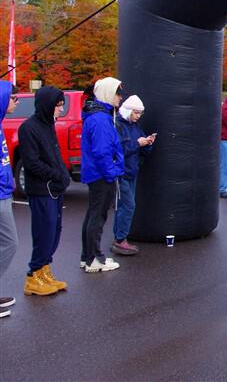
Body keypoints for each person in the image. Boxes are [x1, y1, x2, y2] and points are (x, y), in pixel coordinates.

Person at [19, 86, 71, 296]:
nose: (60, 110)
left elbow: (54, 156)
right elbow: (31, 163)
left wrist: (63, 173)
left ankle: (44, 269)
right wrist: (56, 174)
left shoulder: (48, 125)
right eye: (57, 106)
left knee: (55, 231)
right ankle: (33, 276)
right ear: (47, 105)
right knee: (44, 231)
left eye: (61, 105)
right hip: (41, 190)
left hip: (55, 189)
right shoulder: (28, 128)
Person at [81, 77, 124, 273]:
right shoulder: (100, 119)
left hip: (96, 173)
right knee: (97, 217)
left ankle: (87, 257)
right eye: (117, 92)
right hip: (101, 175)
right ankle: (94, 259)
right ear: (107, 93)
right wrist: (112, 172)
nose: (120, 97)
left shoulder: (98, 116)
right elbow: (102, 151)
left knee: (93, 214)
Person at [112, 95, 155, 256]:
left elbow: (138, 148)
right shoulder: (119, 126)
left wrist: (147, 143)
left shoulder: (134, 126)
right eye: (136, 113)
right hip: (122, 172)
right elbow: (119, 150)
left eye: (140, 114)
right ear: (128, 110)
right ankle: (121, 239)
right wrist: (138, 144)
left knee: (123, 206)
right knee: (128, 205)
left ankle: (119, 237)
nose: (138, 116)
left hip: (131, 170)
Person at [0, 83, 19, 315]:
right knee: (10, 243)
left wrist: (10, 178)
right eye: (13, 97)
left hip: (4, 191)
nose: (16, 101)